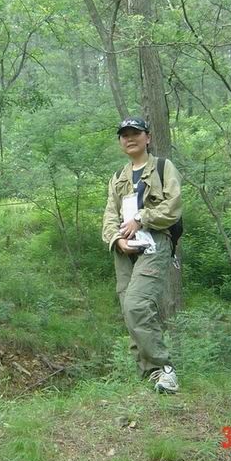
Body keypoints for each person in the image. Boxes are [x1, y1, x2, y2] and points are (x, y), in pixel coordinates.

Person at [102, 118, 182, 393]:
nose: (130, 138)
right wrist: (116, 240)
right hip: (125, 249)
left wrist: (141, 218)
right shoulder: (118, 177)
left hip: (154, 242)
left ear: (147, 137)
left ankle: (165, 369)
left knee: (137, 304)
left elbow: (173, 207)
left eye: (135, 133)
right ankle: (150, 373)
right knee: (129, 309)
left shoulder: (163, 167)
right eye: (124, 135)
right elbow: (109, 215)